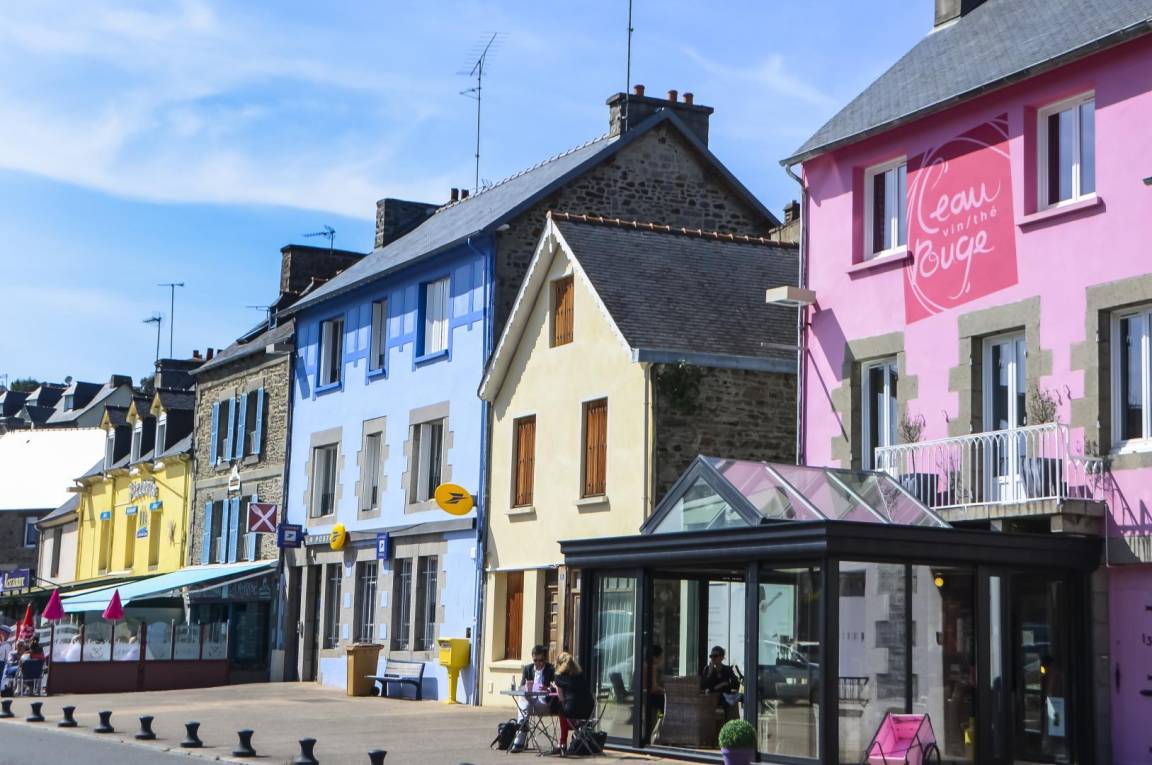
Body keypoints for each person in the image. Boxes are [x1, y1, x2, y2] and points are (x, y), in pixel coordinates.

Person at [511, 645, 561, 753]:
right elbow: (521, 687)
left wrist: (548, 689)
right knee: (522, 698)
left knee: (523, 706)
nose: (538, 663)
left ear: (545, 659)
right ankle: (522, 726)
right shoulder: (528, 669)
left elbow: (557, 688)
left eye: (541, 660)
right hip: (530, 700)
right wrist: (526, 688)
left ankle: (520, 737)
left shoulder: (551, 669)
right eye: (535, 660)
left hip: (545, 703)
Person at [553, 652, 595, 755]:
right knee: (568, 710)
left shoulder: (559, 677)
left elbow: (561, 699)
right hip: (588, 710)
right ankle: (575, 725)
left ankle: (563, 743)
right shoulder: (580, 674)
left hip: (573, 710)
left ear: (559, 664)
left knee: (561, 710)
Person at [700, 645, 740, 717]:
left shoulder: (727, 669)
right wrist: (709, 673)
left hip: (724, 699)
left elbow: (736, 684)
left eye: (715, 656)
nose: (713, 658)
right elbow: (704, 686)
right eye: (711, 656)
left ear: (721, 657)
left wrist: (726, 684)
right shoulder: (707, 669)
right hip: (712, 699)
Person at [644, 645, 666, 737]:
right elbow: (653, 688)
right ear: (654, 657)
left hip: (644, 696)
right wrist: (664, 691)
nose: (661, 660)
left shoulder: (642, 665)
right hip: (650, 698)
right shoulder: (651, 668)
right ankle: (661, 722)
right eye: (660, 657)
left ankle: (660, 720)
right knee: (664, 703)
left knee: (662, 701)